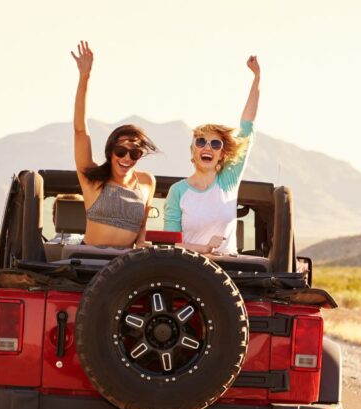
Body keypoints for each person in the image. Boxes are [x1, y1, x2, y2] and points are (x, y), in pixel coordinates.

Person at [164, 56, 261, 255]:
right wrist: (204, 248)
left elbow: (246, 129)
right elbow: (171, 245)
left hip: (226, 273)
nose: (207, 147)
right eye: (201, 142)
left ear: (222, 154)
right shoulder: (178, 191)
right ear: (193, 150)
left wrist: (257, 79)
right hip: (188, 271)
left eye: (215, 144)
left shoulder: (228, 181)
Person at [71, 41, 158, 248]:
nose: (127, 158)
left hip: (126, 269)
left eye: (134, 153)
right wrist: (85, 77)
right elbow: (80, 130)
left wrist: (144, 243)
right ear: (110, 152)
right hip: (88, 263)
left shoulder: (147, 182)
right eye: (121, 151)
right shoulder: (91, 177)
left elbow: (142, 227)